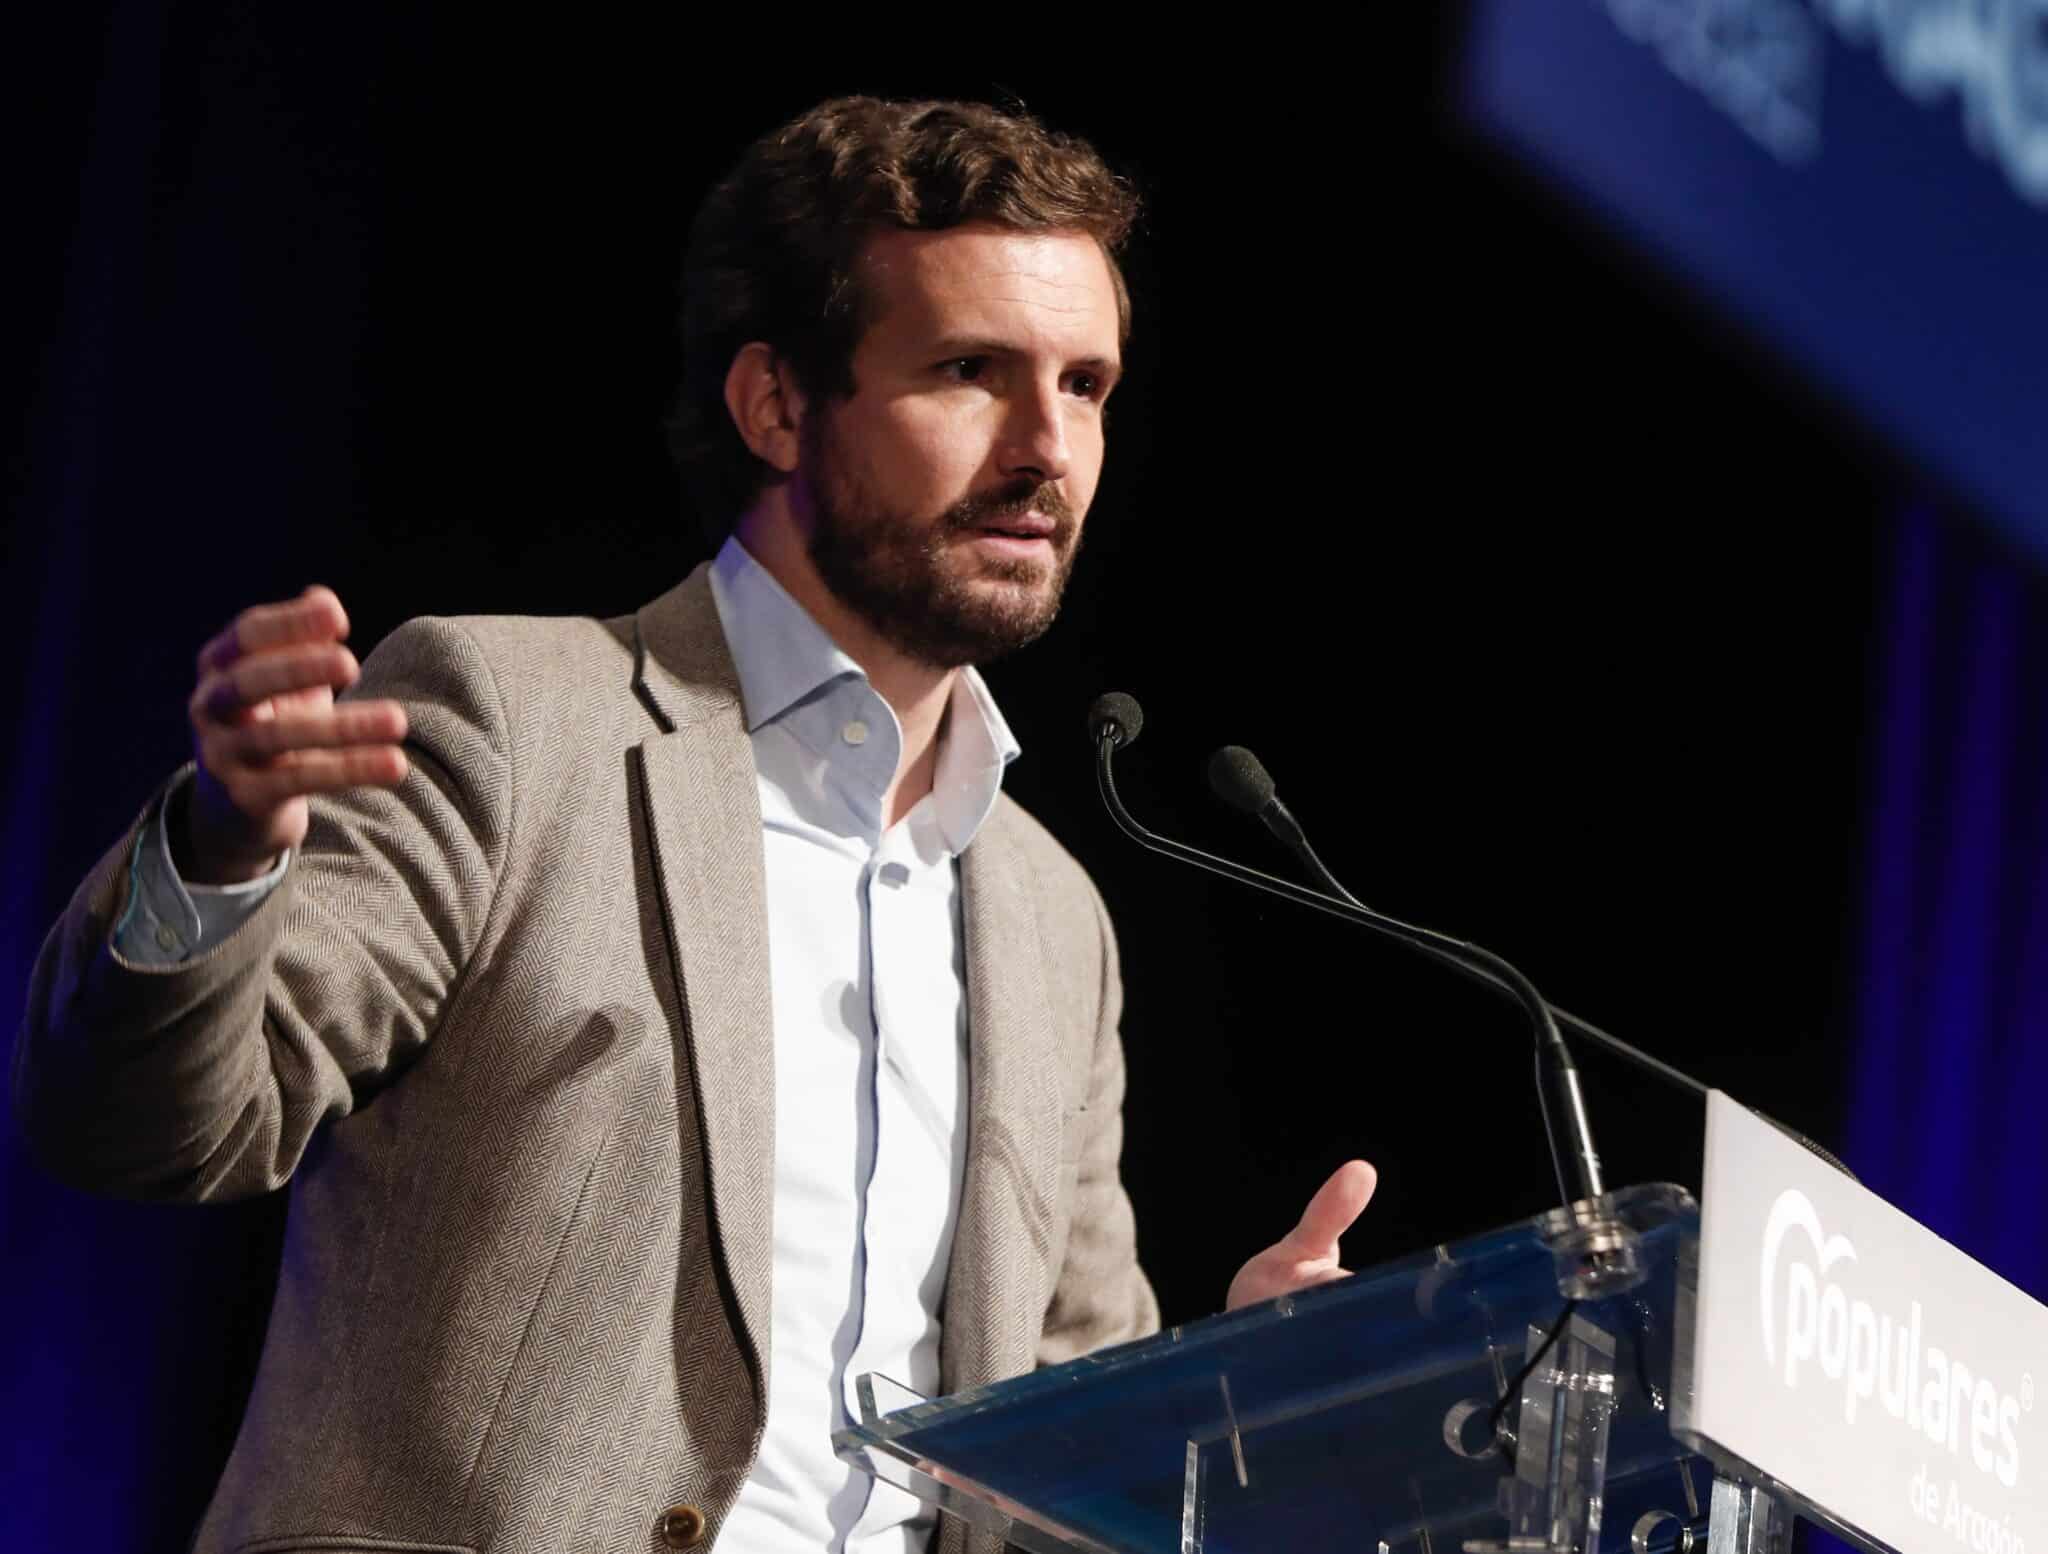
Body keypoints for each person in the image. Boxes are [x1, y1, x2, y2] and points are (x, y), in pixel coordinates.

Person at [14, 96, 1374, 1554]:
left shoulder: (1052, 915)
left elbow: (1054, 1443)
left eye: (1088, 384)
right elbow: (150, 1127)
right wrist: (223, 851)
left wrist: (1228, 1397)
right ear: (778, 403)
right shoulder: (514, 721)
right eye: (970, 371)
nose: (1047, 447)